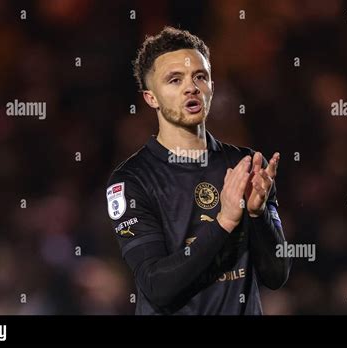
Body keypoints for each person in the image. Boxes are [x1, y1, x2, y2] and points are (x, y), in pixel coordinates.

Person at [106, 26, 291, 315]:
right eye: (174, 80)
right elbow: (158, 287)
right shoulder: (132, 181)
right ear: (150, 98)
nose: (191, 87)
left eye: (200, 77)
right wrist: (224, 223)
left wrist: (258, 215)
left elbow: (276, 275)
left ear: (211, 87)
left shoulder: (248, 166)